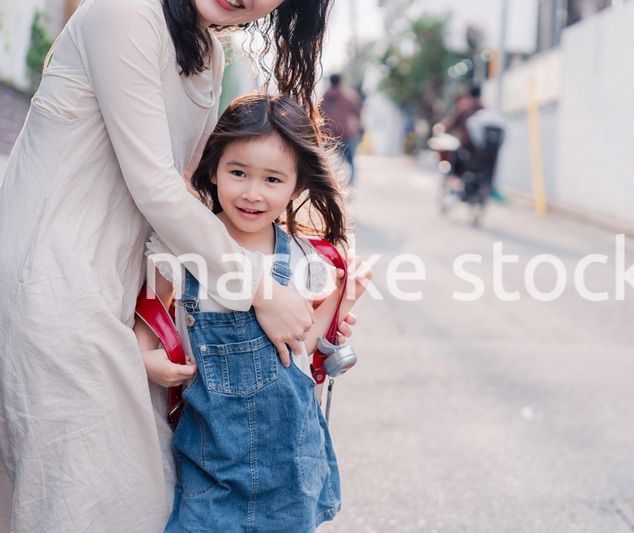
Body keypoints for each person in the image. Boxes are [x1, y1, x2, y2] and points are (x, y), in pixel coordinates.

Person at [0, 0, 349, 530]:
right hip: (53, 281)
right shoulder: (125, 13)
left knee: (128, 492)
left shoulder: (205, 50)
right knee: (81, 498)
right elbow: (157, 187)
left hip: (116, 292)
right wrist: (258, 287)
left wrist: (311, 298)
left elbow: (186, 195)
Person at [136, 93, 371, 532]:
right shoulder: (182, 248)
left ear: (297, 185)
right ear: (213, 169)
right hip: (210, 471)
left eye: (272, 180)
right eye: (238, 172)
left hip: (291, 470)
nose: (251, 193)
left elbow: (303, 352)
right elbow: (145, 327)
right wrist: (146, 359)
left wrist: (342, 301)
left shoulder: (305, 259)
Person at [320, 73, 362, 185]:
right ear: (340, 82)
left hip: (328, 135)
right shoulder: (348, 98)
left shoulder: (324, 98)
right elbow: (357, 114)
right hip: (345, 134)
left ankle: (330, 185)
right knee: (351, 163)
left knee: (327, 162)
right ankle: (349, 187)